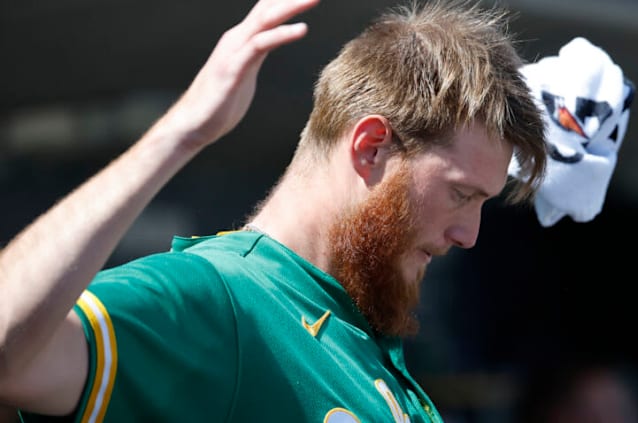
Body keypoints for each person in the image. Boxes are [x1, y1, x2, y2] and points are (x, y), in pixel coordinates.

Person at [0, 0, 547, 421]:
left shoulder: (365, 344)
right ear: (371, 148)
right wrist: (181, 133)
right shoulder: (224, 299)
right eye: (461, 193)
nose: (470, 234)